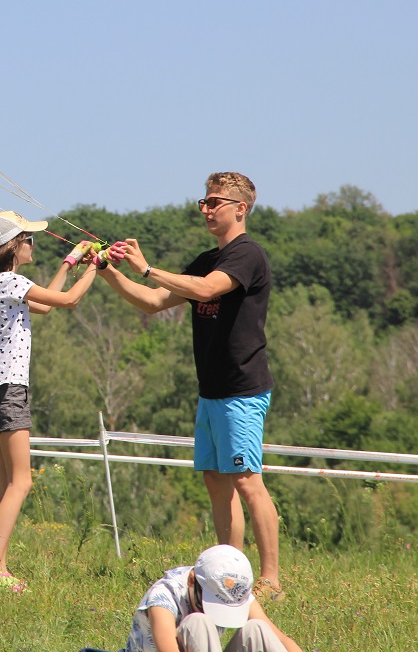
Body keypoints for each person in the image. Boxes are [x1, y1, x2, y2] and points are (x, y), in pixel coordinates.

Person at [98, 173, 284, 600]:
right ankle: (229, 571)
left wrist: (146, 267)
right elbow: (153, 301)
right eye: (203, 201)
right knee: (218, 484)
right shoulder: (206, 258)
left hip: (242, 390)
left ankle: (271, 579)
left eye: (215, 202)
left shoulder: (246, 255)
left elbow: (204, 289)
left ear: (240, 208)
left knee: (248, 483)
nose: (206, 209)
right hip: (212, 391)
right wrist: (109, 272)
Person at [0, 210, 98, 593]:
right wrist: (96, 267)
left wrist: (71, 262)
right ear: (12, 245)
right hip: (8, 389)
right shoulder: (10, 281)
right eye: (28, 238)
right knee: (21, 482)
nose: (33, 243)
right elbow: (70, 301)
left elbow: (45, 304)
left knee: (9, 482)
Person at [118, 544, 302, 652]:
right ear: (192, 581)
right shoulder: (163, 598)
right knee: (198, 621)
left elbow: (283, 640)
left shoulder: (234, 592)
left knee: (257, 628)